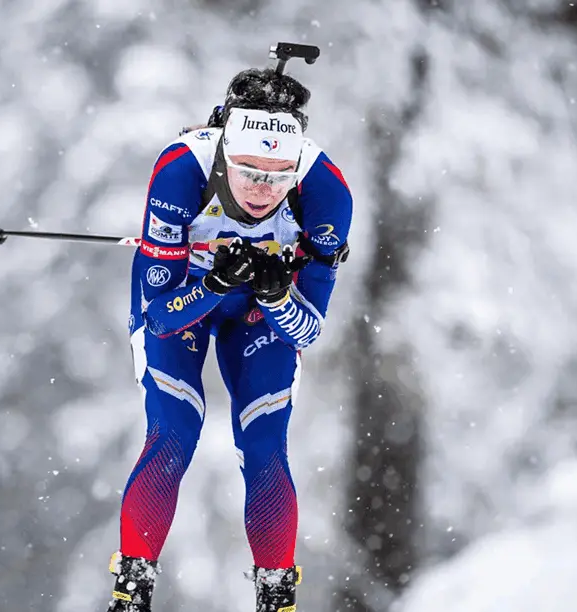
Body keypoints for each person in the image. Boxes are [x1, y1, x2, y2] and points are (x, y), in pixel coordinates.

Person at [106, 64, 352, 612]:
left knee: (264, 445)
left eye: (279, 174)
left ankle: (276, 597)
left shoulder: (327, 192)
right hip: (185, 299)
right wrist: (215, 284)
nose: (263, 189)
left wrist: (276, 298)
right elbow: (161, 317)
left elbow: (309, 330)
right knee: (173, 430)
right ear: (222, 153)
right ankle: (132, 592)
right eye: (247, 171)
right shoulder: (181, 170)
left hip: (258, 319)